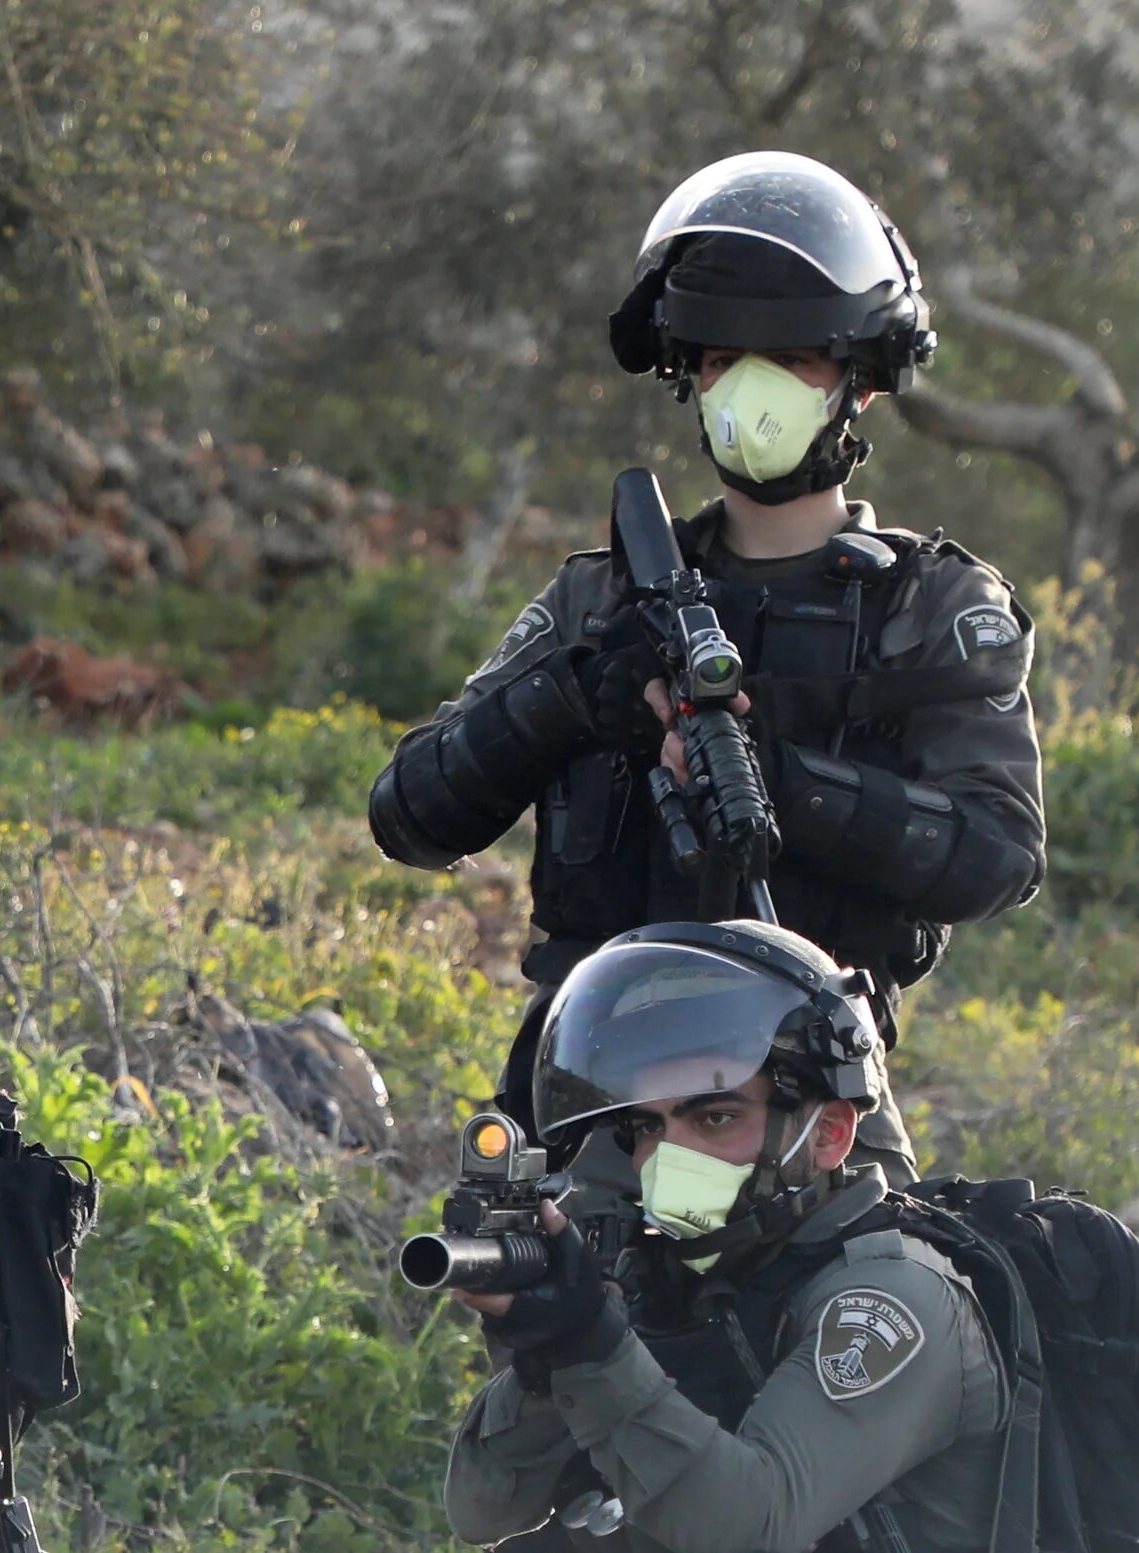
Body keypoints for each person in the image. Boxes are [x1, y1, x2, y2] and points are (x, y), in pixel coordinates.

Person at [369, 151, 1048, 1182]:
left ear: (859, 382)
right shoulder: (599, 599)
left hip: (808, 1097)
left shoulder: (929, 609)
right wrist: (571, 699)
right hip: (589, 1093)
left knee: (898, 1281)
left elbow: (997, 854)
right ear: (687, 371)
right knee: (518, 1280)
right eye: (726, 358)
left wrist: (779, 779)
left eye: (795, 359)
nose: (752, 388)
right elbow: (409, 815)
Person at [444, 919, 1008, 1553]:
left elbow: (752, 1529)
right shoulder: (671, 1274)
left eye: (714, 1117)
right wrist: (547, 1353)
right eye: (649, 1127)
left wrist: (592, 1349)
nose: (670, 1154)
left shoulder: (892, 1298)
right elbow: (482, 1509)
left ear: (829, 1134)